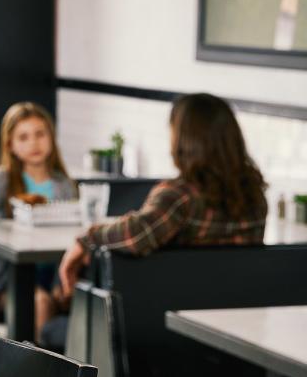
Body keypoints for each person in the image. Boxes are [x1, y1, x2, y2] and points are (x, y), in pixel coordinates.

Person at [58, 92, 268, 296]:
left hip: (165, 317)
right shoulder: (254, 197)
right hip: (231, 318)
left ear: (184, 141)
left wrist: (86, 239)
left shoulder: (178, 196)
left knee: (53, 321)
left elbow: (136, 234)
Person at [0, 101, 77, 337]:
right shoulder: (2, 181)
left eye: (40, 134)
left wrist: (60, 285)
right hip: (11, 280)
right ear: (10, 145)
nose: (33, 142)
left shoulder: (64, 185)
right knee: (40, 303)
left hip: (55, 274)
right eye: (23, 137)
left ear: (51, 138)